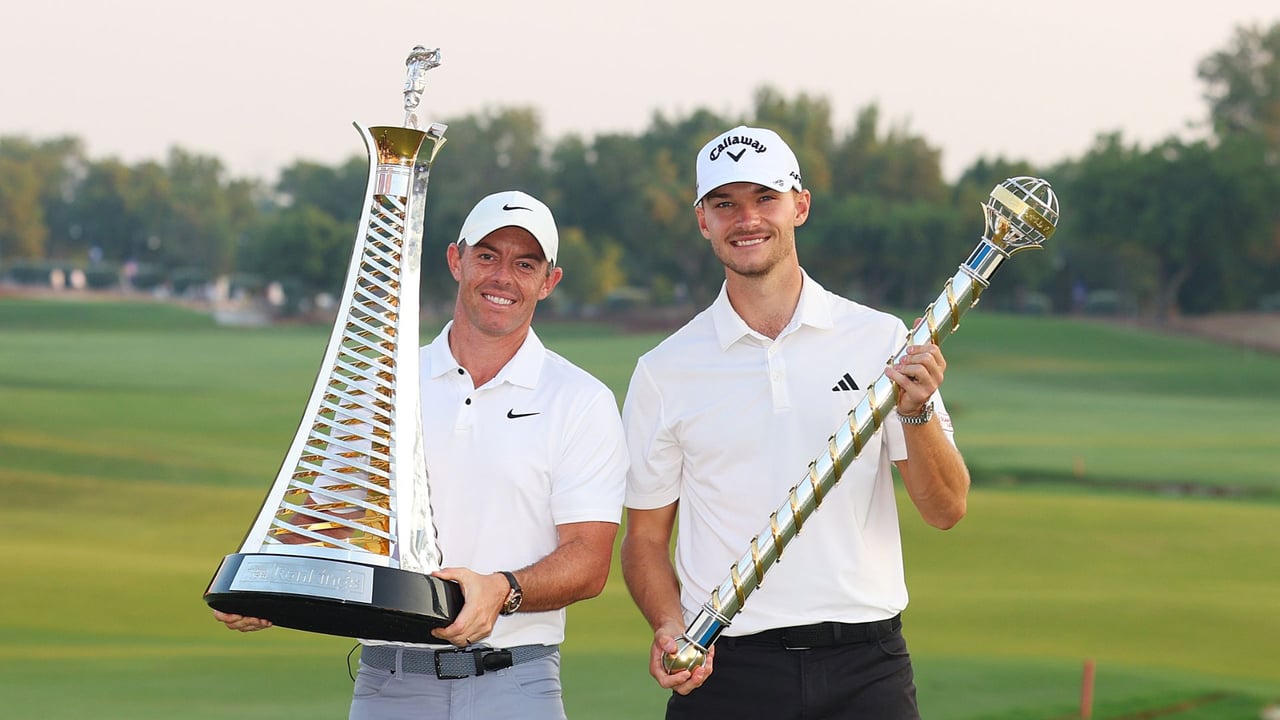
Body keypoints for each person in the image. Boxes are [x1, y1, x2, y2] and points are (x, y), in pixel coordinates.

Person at [215, 190, 628, 720]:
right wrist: (263, 580)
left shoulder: (581, 400)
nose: (503, 277)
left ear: (549, 282)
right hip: (391, 683)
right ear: (456, 260)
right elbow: (334, 513)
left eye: (525, 264)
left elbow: (589, 562)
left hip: (516, 681)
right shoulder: (380, 384)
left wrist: (500, 591)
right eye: (487, 256)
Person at [620, 126, 971, 719]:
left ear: (800, 206)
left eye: (765, 198)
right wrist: (668, 625)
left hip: (867, 661)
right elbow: (645, 540)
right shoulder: (664, 371)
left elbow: (945, 509)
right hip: (727, 667)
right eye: (725, 203)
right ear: (702, 219)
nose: (746, 218)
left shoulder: (882, 340)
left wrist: (916, 411)